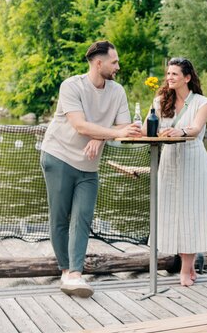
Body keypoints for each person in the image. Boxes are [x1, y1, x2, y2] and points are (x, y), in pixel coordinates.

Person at [39, 40, 143, 297]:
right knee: (59, 217)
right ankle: (66, 270)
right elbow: (80, 126)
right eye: (114, 61)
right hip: (59, 156)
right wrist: (104, 133)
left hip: (89, 164)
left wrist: (100, 138)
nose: (118, 66)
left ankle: (75, 274)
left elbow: (125, 129)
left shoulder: (117, 91)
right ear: (99, 63)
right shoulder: (71, 86)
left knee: (83, 217)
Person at [151, 57, 207, 287]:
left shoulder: (203, 102)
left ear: (187, 78)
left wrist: (178, 131)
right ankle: (187, 266)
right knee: (172, 211)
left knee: (191, 213)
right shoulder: (160, 101)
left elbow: (196, 128)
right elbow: (149, 128)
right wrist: (132, 129)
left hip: (193, 161)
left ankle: (185, 268)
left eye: (174, 74)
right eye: (168, 74)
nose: (169, 78)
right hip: (170, 162)